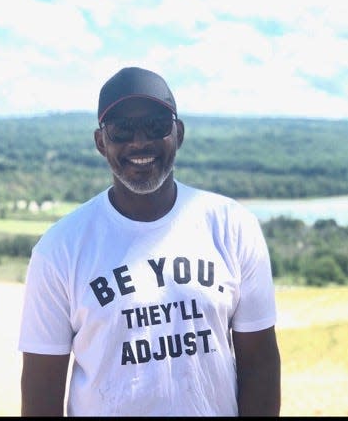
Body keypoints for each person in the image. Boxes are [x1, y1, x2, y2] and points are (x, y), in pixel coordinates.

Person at [18, 66, 281, 417]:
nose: (139, 141)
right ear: (101, 142)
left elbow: (260, 365)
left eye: (156, 126)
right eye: (122, 130)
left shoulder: (232, 227)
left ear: (179, 133)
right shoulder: (59, 249)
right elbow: (41, 394)